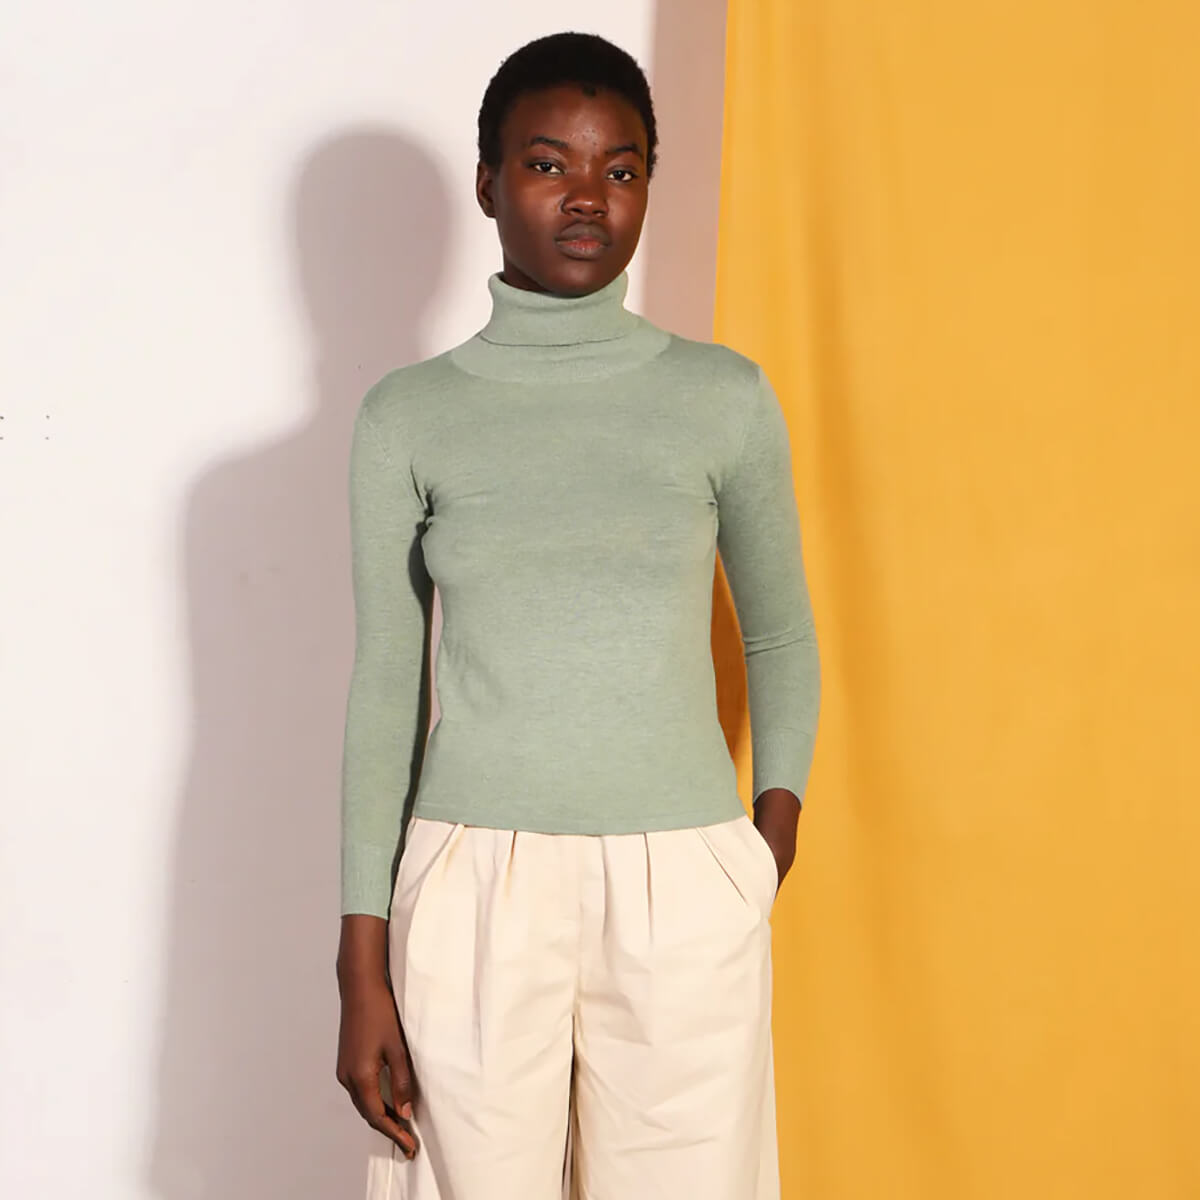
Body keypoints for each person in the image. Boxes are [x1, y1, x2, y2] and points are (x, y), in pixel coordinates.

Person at [334, 30, 820, 1200]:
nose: (588, 196)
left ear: (649, 183)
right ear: (488, 182)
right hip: (472, 884)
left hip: (683, 881)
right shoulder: (409, 415)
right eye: (549, 164)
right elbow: (388, 681)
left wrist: (765, 843)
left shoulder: (722, 397)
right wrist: (359, 965)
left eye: (622, 167)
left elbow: (780, 633)